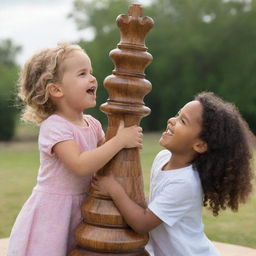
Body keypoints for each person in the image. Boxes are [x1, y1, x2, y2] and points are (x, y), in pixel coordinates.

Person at [7, 42, 143, 256]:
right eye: (82, 74)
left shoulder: (93, 124)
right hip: (54, 212)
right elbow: (79, 165)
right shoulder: (55, 126)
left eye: (91, 72)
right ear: (56, 89)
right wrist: (119, 141)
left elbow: (103, 161)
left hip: (82, 206)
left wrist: (125, 144)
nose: (92, 78)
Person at [92, 91, 254, 256]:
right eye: (178, 114)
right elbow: (150, 206)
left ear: (199, 145)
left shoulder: (185, 182)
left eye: (183, 121)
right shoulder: (162, 158)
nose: (171, 120)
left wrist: (114, 190)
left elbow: (142, 223)